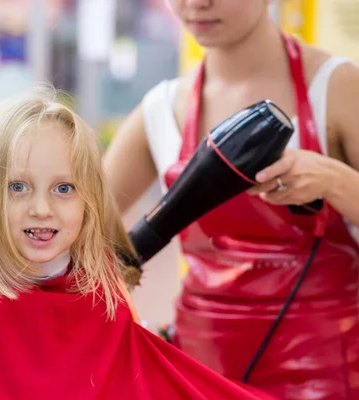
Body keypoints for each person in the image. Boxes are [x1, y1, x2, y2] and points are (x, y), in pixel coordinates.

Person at [0, 86, 275, 400]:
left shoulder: (101, 294)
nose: (41, 208)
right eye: (17, 187)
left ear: (88, 199)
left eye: (64, 188)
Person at [103, 1, 359, 399]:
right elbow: (80, 220)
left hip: (324, 380)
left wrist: (334, 180)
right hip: (198, 378)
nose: (196, 4)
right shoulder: (162, 108)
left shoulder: (336, 86)